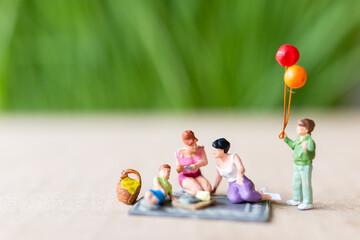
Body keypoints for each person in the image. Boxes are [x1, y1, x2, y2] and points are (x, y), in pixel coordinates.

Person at [211, 138, 281, 203]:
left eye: (215, 150)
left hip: (242, 181)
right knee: (234, 199)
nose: (213, 152)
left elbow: (241, 168)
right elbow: (218, 176)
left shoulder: (233, 157)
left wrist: (239, 176)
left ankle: (266, 196)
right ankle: (257, 193)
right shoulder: (218, 163)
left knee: (247, 195)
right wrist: (214, 189)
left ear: (222, 150)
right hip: (232, 184)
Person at [284, 118, 316, 210]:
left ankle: (307, 202)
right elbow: (293, 145)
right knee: (296, 182)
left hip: (305, 165)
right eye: (297, 127)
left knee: (306, 184)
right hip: (297, 164)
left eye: (300, 128)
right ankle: (297, 199)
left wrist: (306, 150)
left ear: (307, 130)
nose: (297, 130)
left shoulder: (309, 141)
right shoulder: (299, 138)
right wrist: (286, 139)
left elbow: (312, 155)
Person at [175, 130, 212, 195]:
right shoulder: (180, 153)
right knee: (198, 190)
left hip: (196, 174)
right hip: (185, 176)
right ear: (186, 146)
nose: (195, 147)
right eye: (192, 146)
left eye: (195, 144)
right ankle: (185, 189)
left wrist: (196, 165)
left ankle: (194, 186)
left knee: (208, 189)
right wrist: (179, 168)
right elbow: (178, 169)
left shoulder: (200, 149)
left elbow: (205, 162)